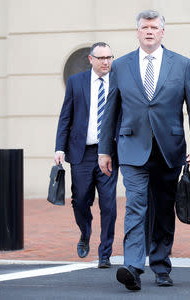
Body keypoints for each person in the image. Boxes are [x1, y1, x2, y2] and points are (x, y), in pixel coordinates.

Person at [98, 10, 190, 291]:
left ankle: (160, 265)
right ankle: (133, 267)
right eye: (144, 27)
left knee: (163, 210)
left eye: (154, 27)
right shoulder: (120, 66)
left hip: (169, 150)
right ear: (137, 32)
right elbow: (110, 111)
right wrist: (104, 150)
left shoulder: (181, 64)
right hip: (132, 148)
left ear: (162, 32)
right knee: (135, 206)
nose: (149, 31)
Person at [54, 42, 118, 269]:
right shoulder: (76, 82)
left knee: (109, 205)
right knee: (81, 200)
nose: (106, 62)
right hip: (81, 153)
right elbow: (66, 117)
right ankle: (85, 232)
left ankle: (105, 253)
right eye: (101, 58)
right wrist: (59, 148)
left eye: (109, 57)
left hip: (108, 154)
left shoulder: (118, 81)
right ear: (91, 59)